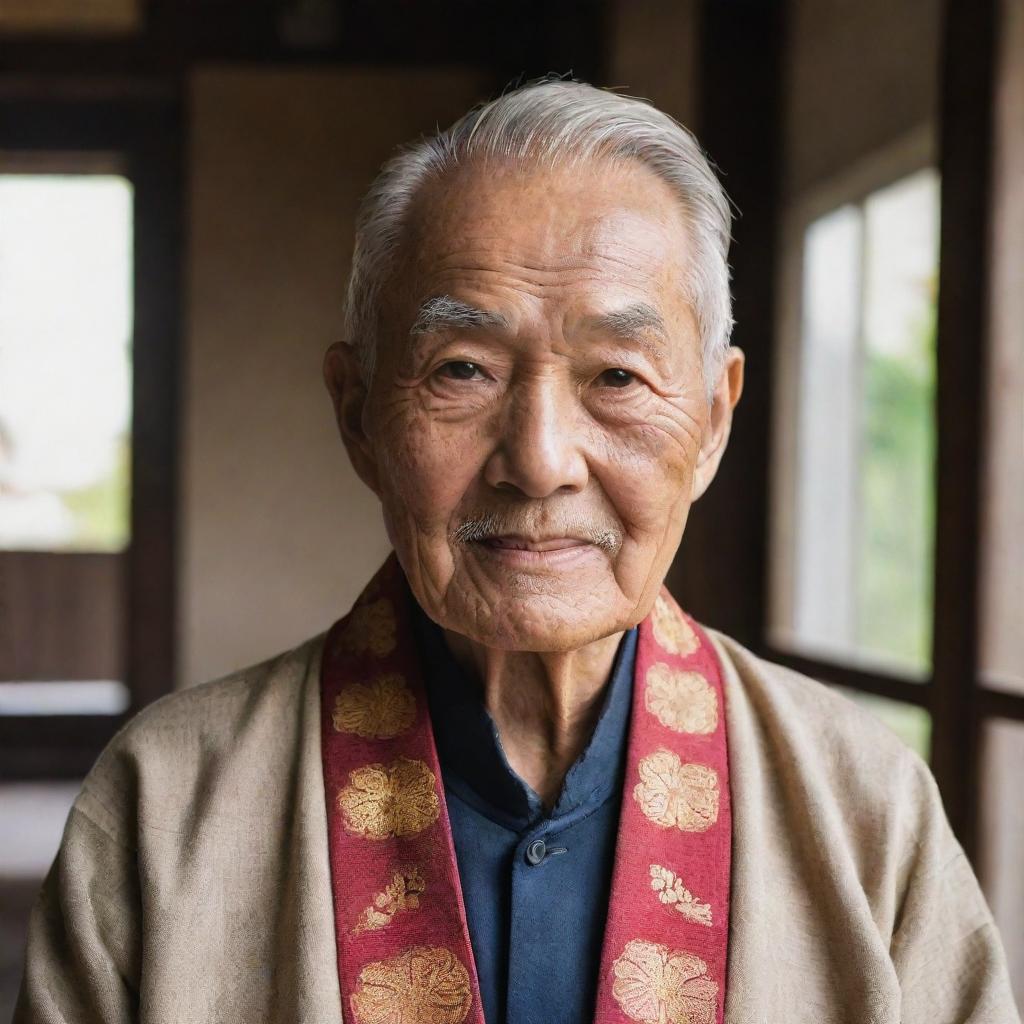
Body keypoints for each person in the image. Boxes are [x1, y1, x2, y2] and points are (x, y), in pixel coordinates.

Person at [15, 80, 1019, 1024]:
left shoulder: (863, 811)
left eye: (617, 378)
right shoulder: (164, 802)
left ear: (713, 420)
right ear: (359, 416)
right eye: (463, 369)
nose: (539, 462)